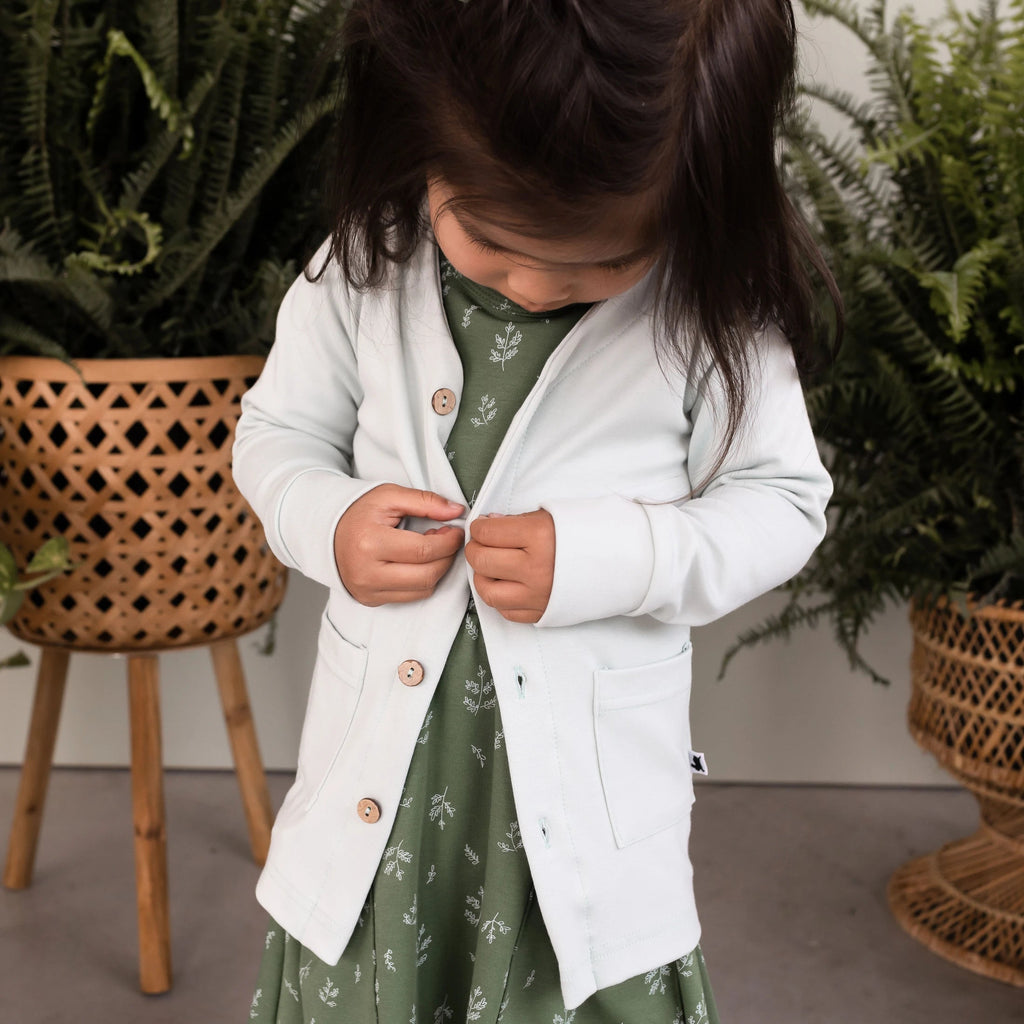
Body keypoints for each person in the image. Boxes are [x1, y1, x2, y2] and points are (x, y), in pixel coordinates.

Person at [234, 0, 838, 1020]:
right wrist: (328, 521)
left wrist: (617, 555)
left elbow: (783, 503)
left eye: (603, 261)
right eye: (490, 239)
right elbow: (276, 437)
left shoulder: (711, 314)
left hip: (575, 830)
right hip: (387, 817)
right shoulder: (363, 267)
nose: (536, 285)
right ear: (417, 143)